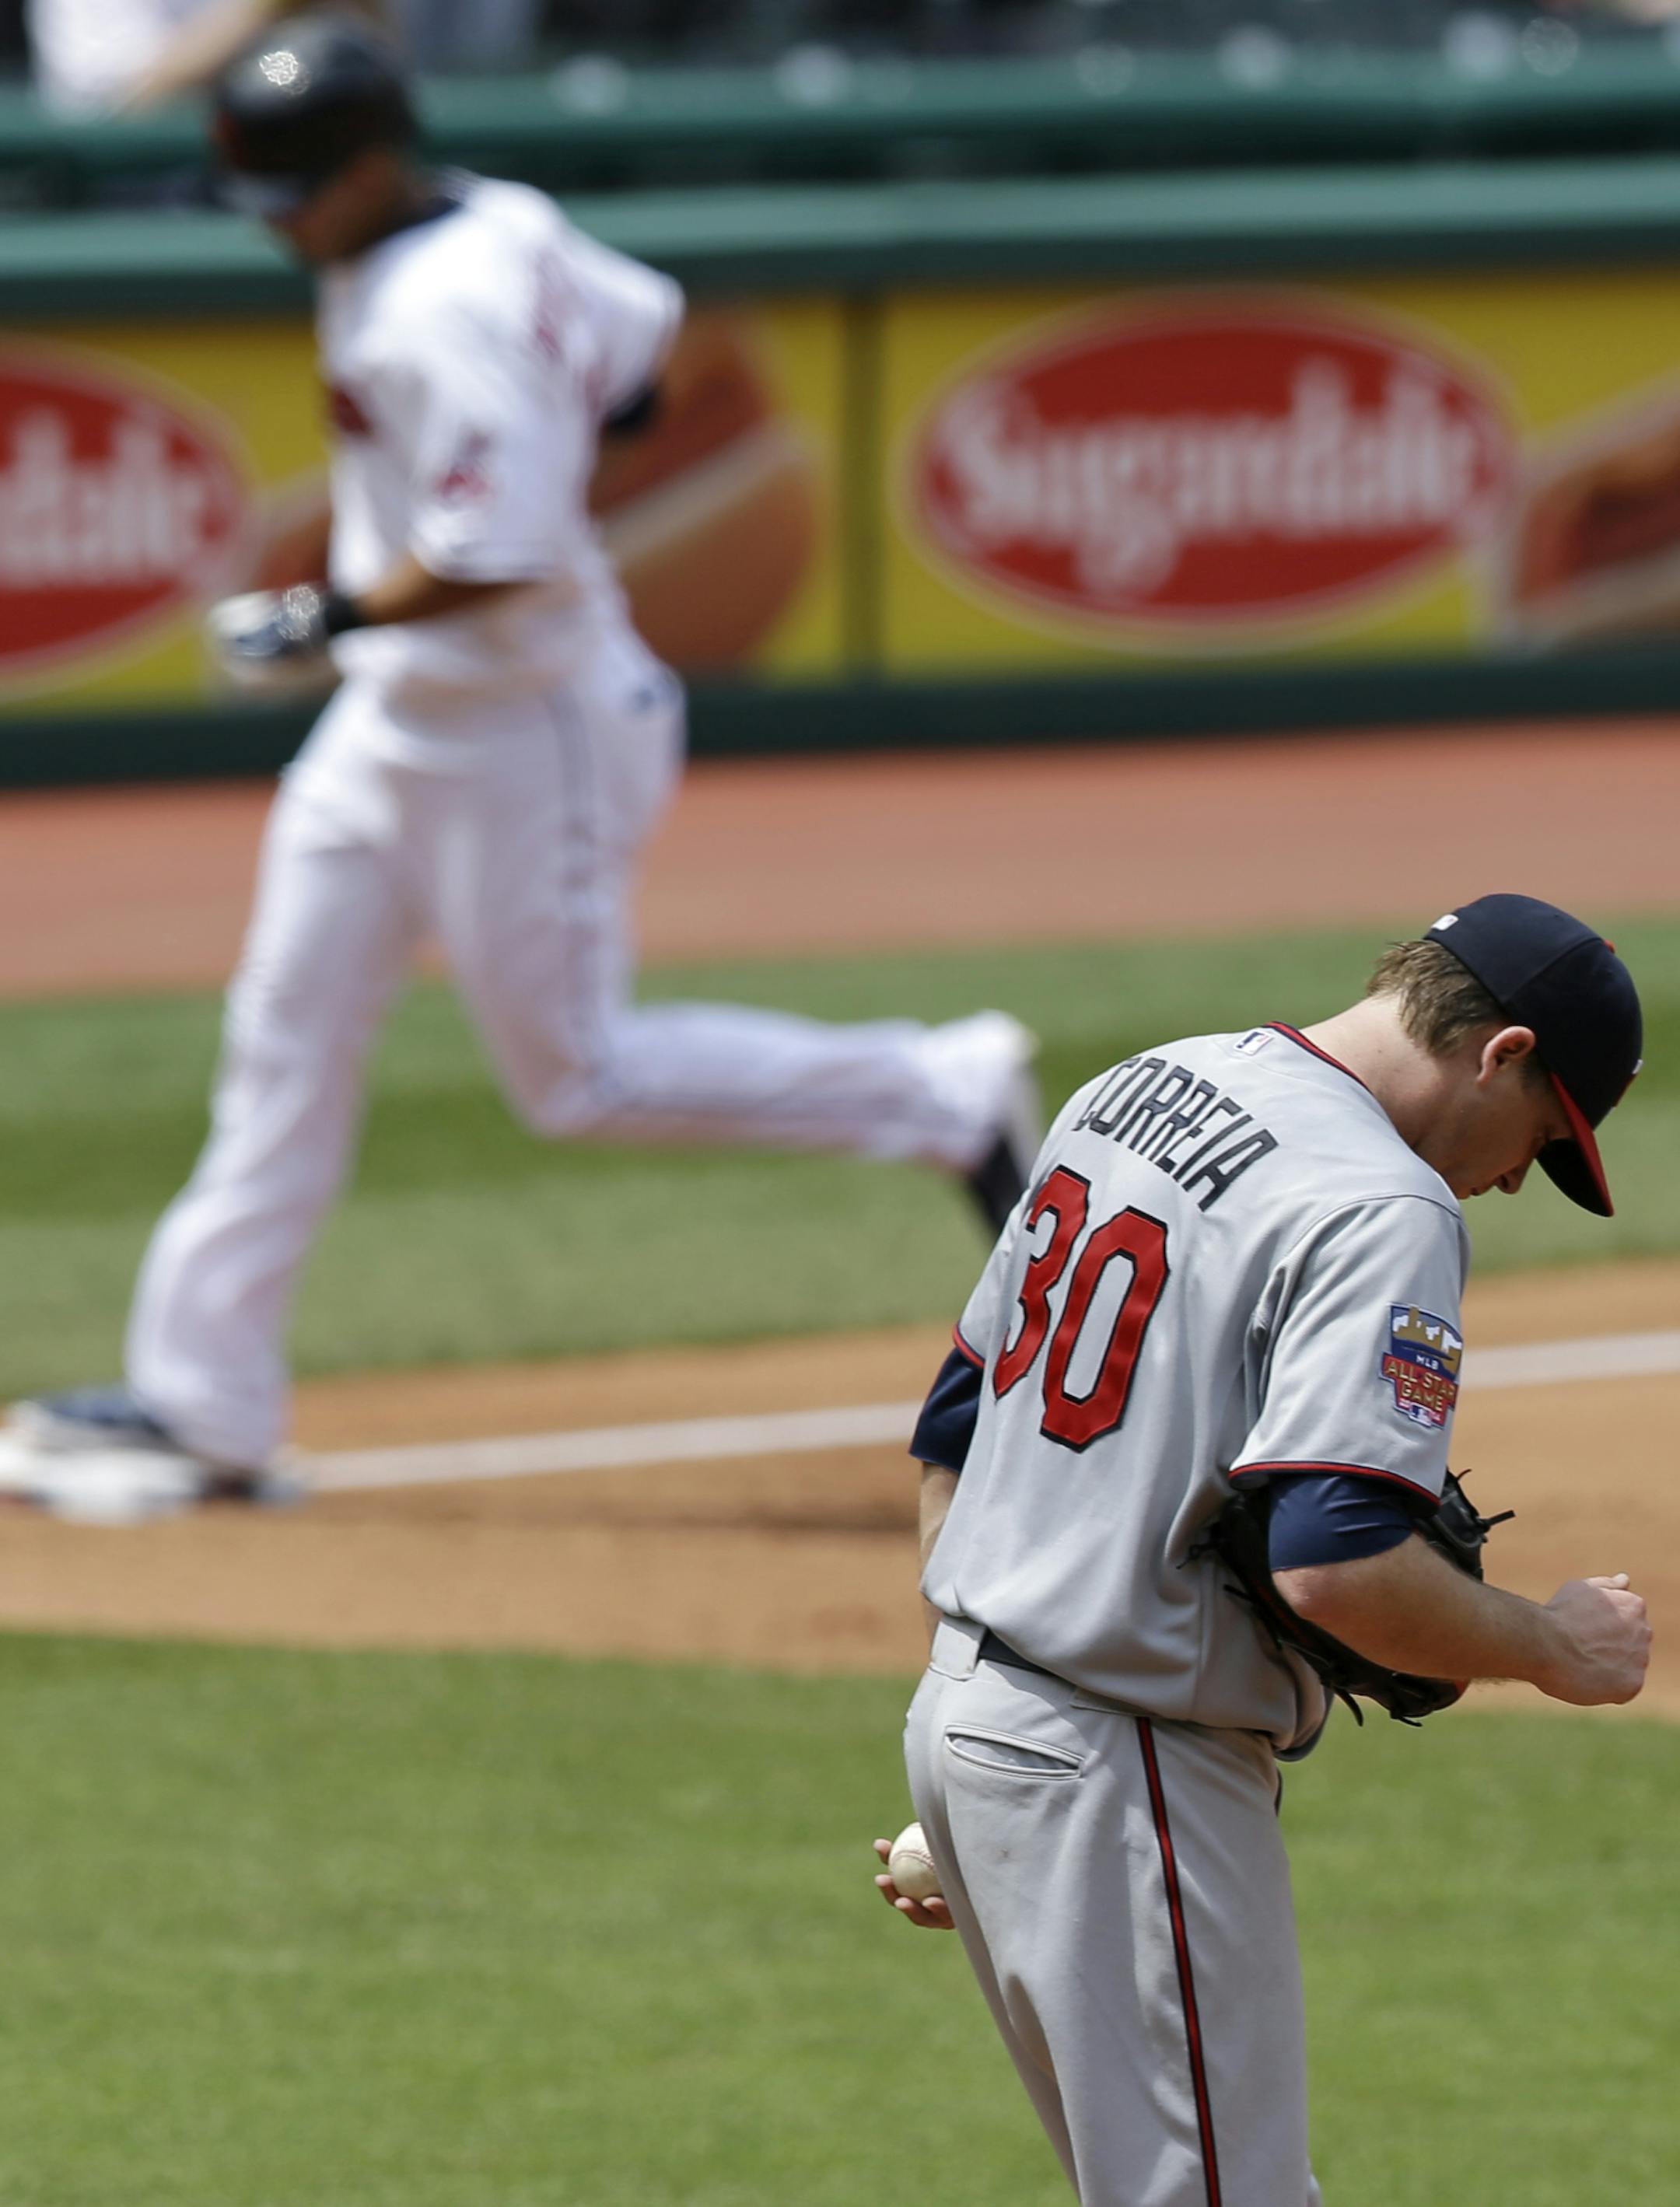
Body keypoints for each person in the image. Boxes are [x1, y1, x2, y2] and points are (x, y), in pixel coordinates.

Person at [5, 13, 1038, 1506]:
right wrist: (451, 536)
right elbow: (650, 348)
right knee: (284, 1036)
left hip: (525, 725)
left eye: (296, 194)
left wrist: (330, 607)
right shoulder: (499, 212)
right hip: (398, 719)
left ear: (367, 167)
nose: (280, 227)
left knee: (579, 1077)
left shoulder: (449, 303)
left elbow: (507, 549)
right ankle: (202, 1399)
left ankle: (944, 1089)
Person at [873, 893, 1650, 2207]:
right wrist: (1554, 1646)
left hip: (982, 1727)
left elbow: (964, 1416)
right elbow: (1334, 1560)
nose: (1520, 1173)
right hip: (1123, 1765)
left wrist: (997, 1742)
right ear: (1501, 1051)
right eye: (1545, 1134)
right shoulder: (1382, 1202)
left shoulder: (1142, 1081)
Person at [26, 0, 534, 116]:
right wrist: (266, 8)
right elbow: (115, 102)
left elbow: (389, 76)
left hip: (324, 186)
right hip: (146, 212)